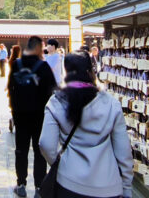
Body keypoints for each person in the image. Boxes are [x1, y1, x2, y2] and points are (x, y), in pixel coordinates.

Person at [40, 52, 133, 198]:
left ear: (66, 72)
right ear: (90, 71)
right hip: (108, 185)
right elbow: (123, 151)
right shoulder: (111, 103)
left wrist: (61, 164)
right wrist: (126, 186)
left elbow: (46, 144)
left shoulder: (56, 102)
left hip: (69, 183)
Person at [7, 36, 57, 197]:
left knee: (21, 150)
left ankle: (21, 184)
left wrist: (13, 110)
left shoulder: (16, 64)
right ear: (38, 48)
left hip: (20, 115)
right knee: (39, 152)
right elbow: (52, 91)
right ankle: (39, 188)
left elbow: (10, 88)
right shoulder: (44, 67)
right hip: (39, 116)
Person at [7, 44, 22, 133]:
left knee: (13, 104)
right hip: (18, 85)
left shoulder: (11, 60)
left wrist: (8, 87)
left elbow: (10, 75)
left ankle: (13, 119)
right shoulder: (19, 61)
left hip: (12, 85)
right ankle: (15, 121)